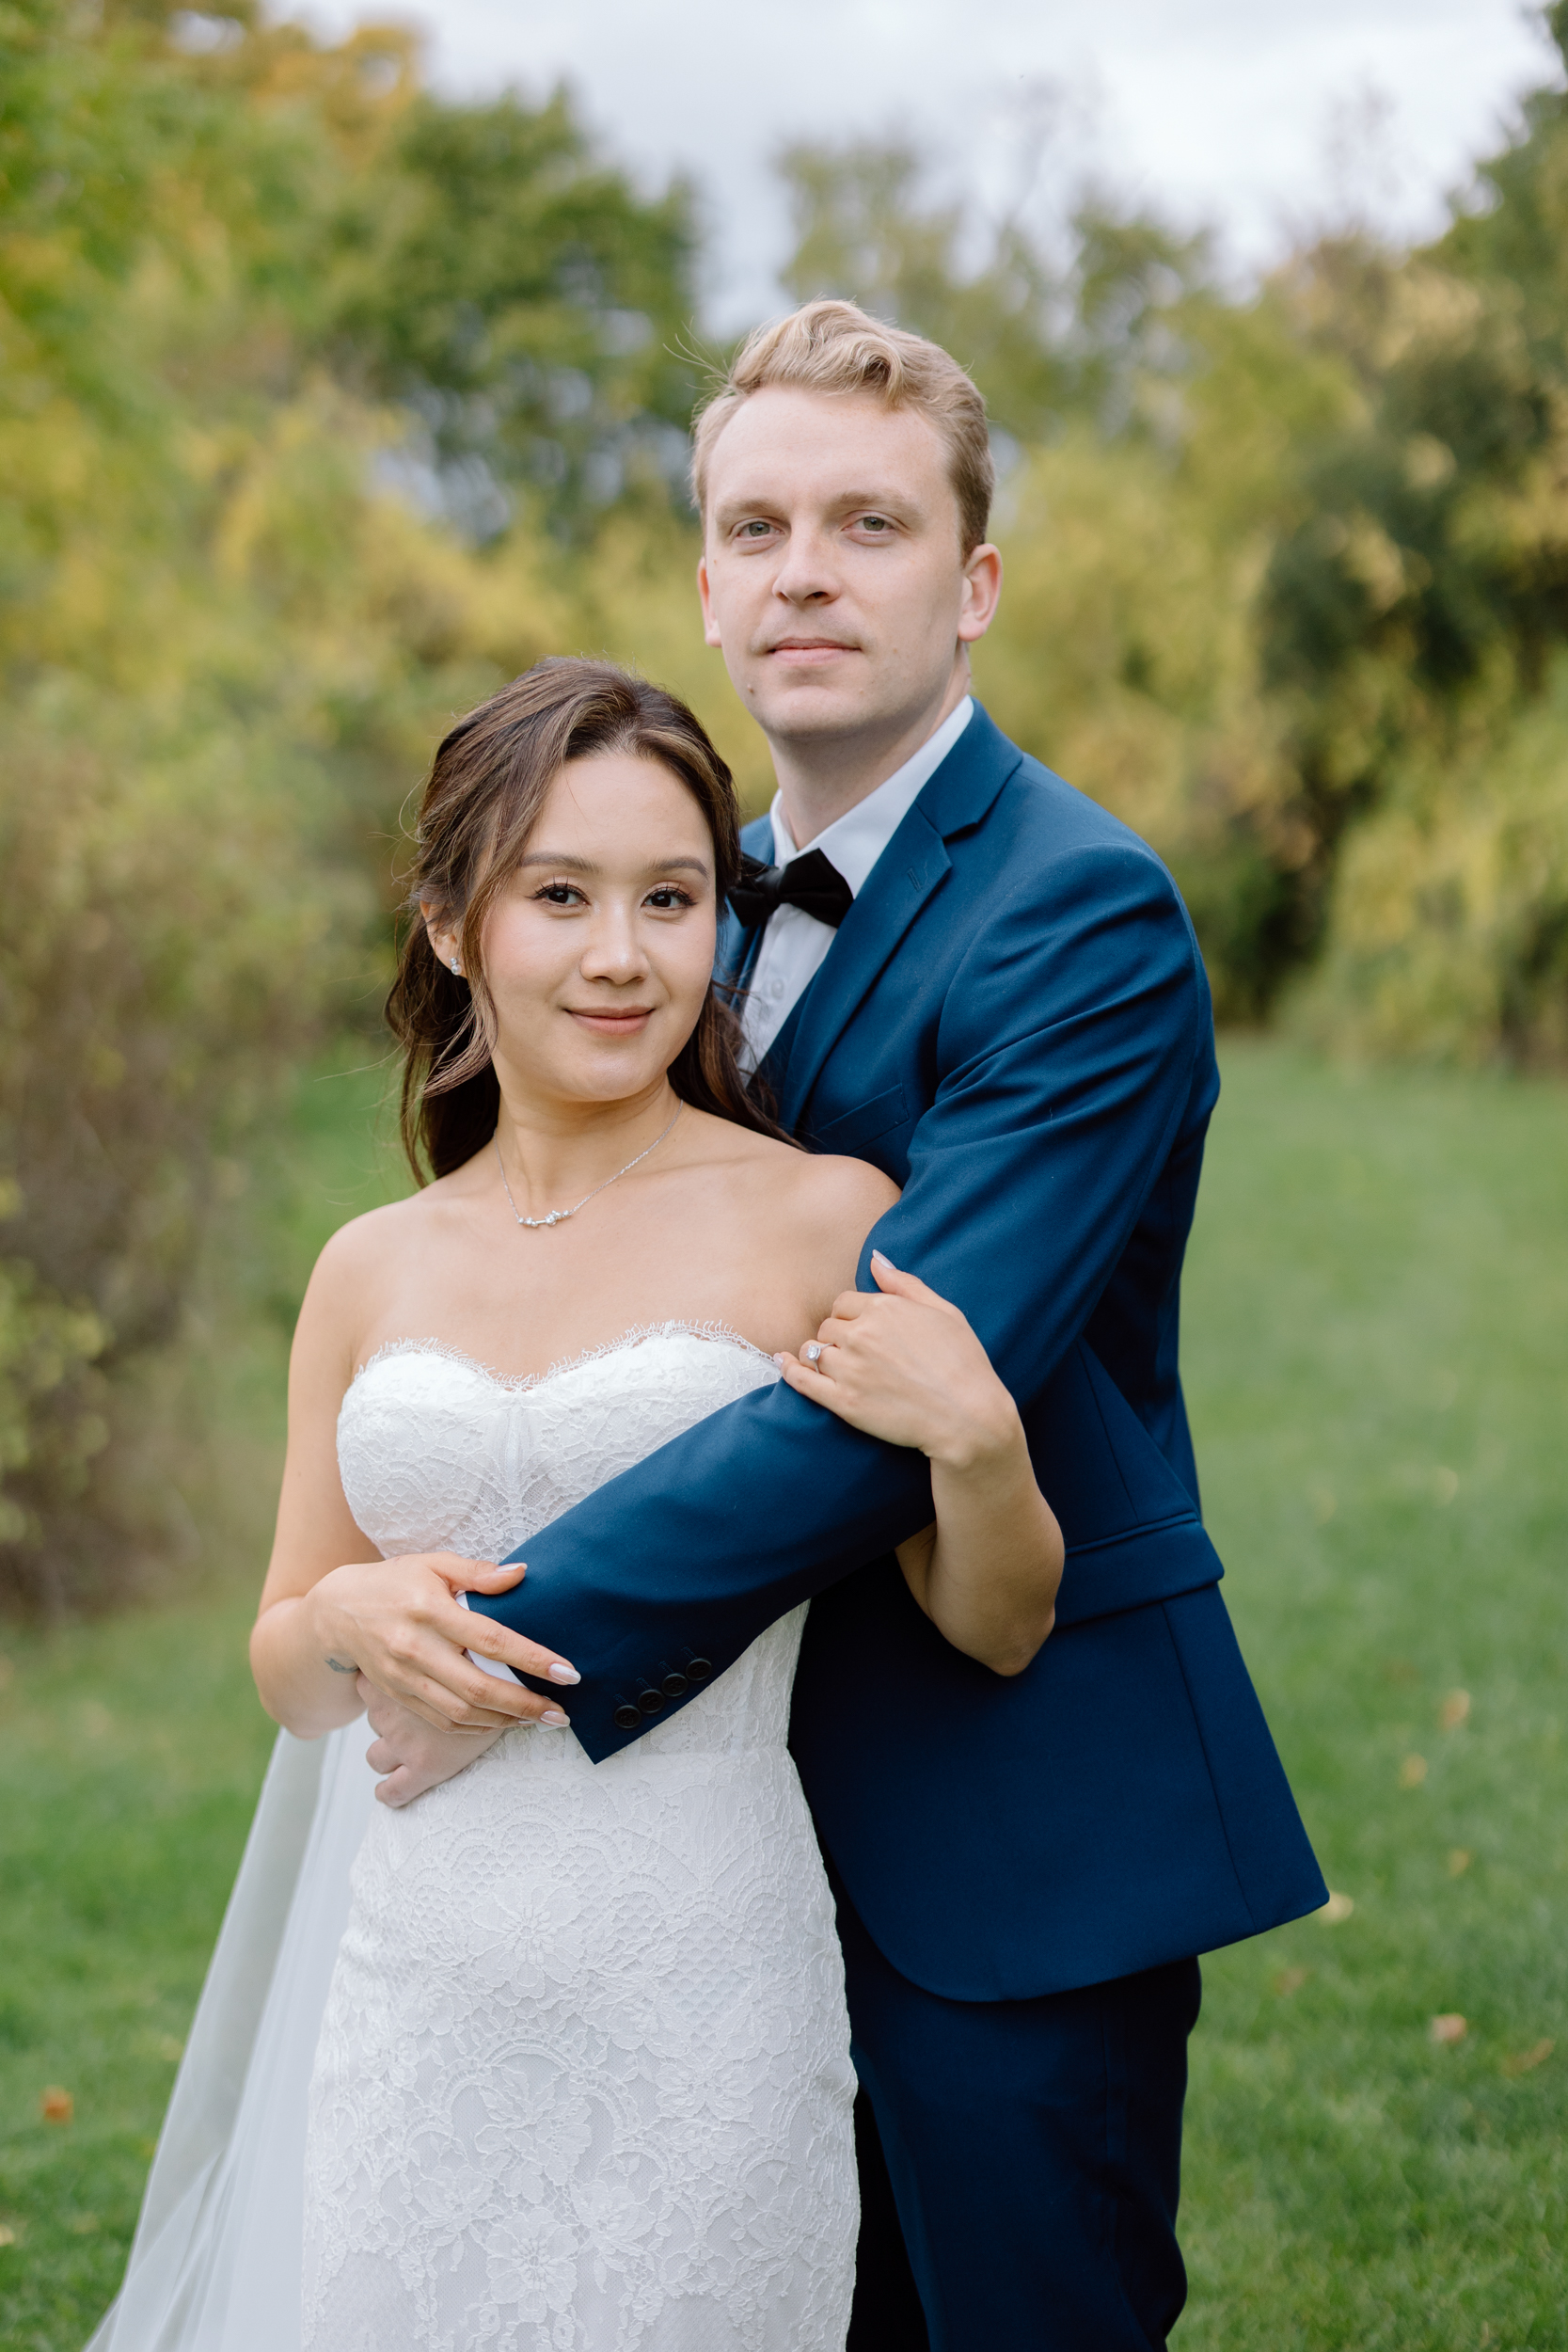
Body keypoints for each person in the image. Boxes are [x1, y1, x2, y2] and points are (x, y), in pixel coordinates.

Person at [363, 299, 1329, 2350]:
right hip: (703, 1827)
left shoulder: (1078, 911)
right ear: (707, 582)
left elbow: (883, 1378)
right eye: (761, 523)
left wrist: (503, 1632)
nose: (809, 567)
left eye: (871, 522)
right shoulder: (662, 894)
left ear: (971, 583)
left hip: (1003, 1792)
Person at [87, 657, 1065, 2352]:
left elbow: (997, 1622)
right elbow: (283, 1662)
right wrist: (340, 1620)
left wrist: (978, 1442)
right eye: (562, 896)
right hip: (411, 1989)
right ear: (455, 923)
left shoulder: (821, 1217)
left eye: (672, 899)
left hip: (701, 1979)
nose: (624, 956)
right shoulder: (366, 1269)